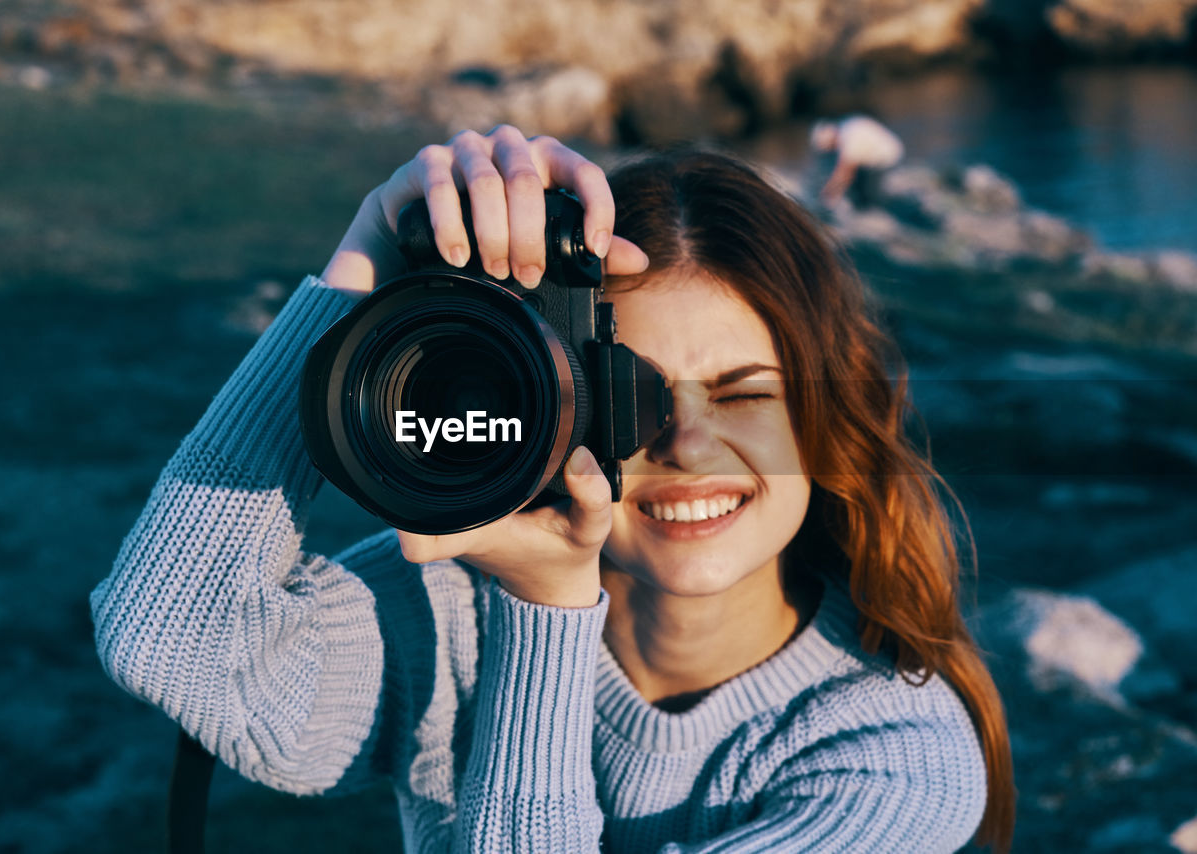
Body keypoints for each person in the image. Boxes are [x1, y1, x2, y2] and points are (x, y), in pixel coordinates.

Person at [90, 125, 1014, 852]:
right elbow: (173, 634)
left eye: (744, 394)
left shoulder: (892, 752)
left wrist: (546, 614)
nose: (690, 446)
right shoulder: (451, 608)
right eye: (633, 395)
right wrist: (368, 258)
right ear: (551, 405)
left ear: (824, 421)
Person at [810, 114, 904, 208]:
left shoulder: (849, 138)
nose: (832, 149)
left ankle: (885, 208)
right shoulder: (845, 127)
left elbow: (845, 173)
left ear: (831, 139)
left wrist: (828, 194)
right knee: (860, 187)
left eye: (830, 147)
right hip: (874, 155)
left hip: (886, 156)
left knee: (872, 191)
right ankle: (864, 205)